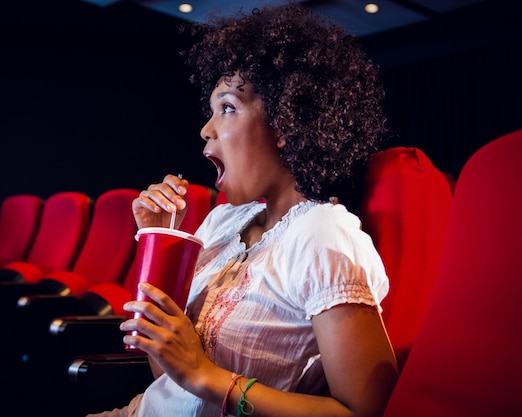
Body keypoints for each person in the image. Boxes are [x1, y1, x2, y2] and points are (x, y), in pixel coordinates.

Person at [89, 3, 398, 416]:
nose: (206, 129)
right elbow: (162, 373)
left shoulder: (323, 233)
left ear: (286, 123)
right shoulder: (221, 222)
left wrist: (208, 376)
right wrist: (159, 239)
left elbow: (361, 412)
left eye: (228, 108)